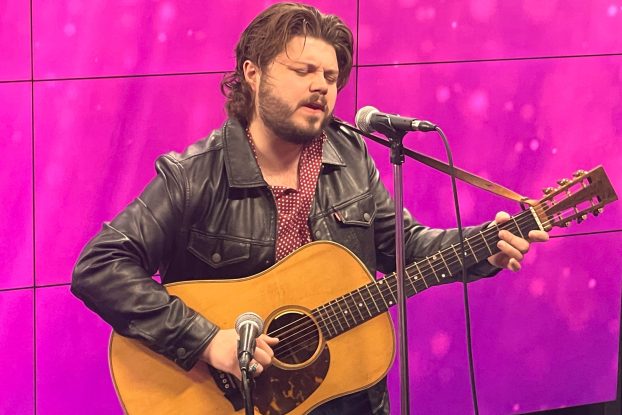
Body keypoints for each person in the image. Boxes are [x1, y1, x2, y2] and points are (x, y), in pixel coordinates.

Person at [71, 2, 549, 414]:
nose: (321, 86)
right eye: (303, 71)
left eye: (330, 76)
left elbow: (402, 247)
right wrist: (207, 341)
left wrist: (483, 248)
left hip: (348, 400)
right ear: (252, 73)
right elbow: (99, 266)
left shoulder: (352, 157)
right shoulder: (196, 174)